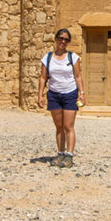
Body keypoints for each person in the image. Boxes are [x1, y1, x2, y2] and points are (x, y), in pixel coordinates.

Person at [36, 28, 86, 168]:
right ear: (56, 39)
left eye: (66, 39)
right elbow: (42, 77)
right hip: (54, 94)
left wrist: (82, 93)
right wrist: (40, 95)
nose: (63, 41)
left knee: (68, 126)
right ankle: (60, 153)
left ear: (68, 42)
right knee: (59, 127)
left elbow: (78, 76)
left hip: (70, 93)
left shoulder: (73, 57)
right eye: (61, 38)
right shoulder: (47, 58)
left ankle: (69, 155)